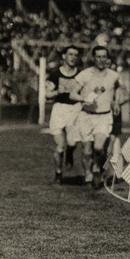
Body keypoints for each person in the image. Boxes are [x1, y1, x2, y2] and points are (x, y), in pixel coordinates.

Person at [73, 45, 126, 189]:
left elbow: (120, 91)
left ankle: (97, 168)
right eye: (98, 57)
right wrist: (84, 99)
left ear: (107, 58)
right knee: (86, 150)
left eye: (104, 57)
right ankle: (88, 174)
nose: (101, 60)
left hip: (104, 116)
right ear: (93, 58)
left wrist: (116, 102)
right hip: (86, 116)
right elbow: (72, 93)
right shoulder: (84, 74)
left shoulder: (113, 75)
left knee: (98, 147)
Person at [45, 45, 82, 184]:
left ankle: (70, 154)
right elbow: (47, 95)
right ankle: (58, 174)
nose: (73, 57)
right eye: (70, 54)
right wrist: (57, 92)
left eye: (75, 55)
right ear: (64, 57)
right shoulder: (55, 74)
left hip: (75, 109)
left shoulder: (80, 74)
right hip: (60, 109)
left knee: (72, 143)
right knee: (60, 147)